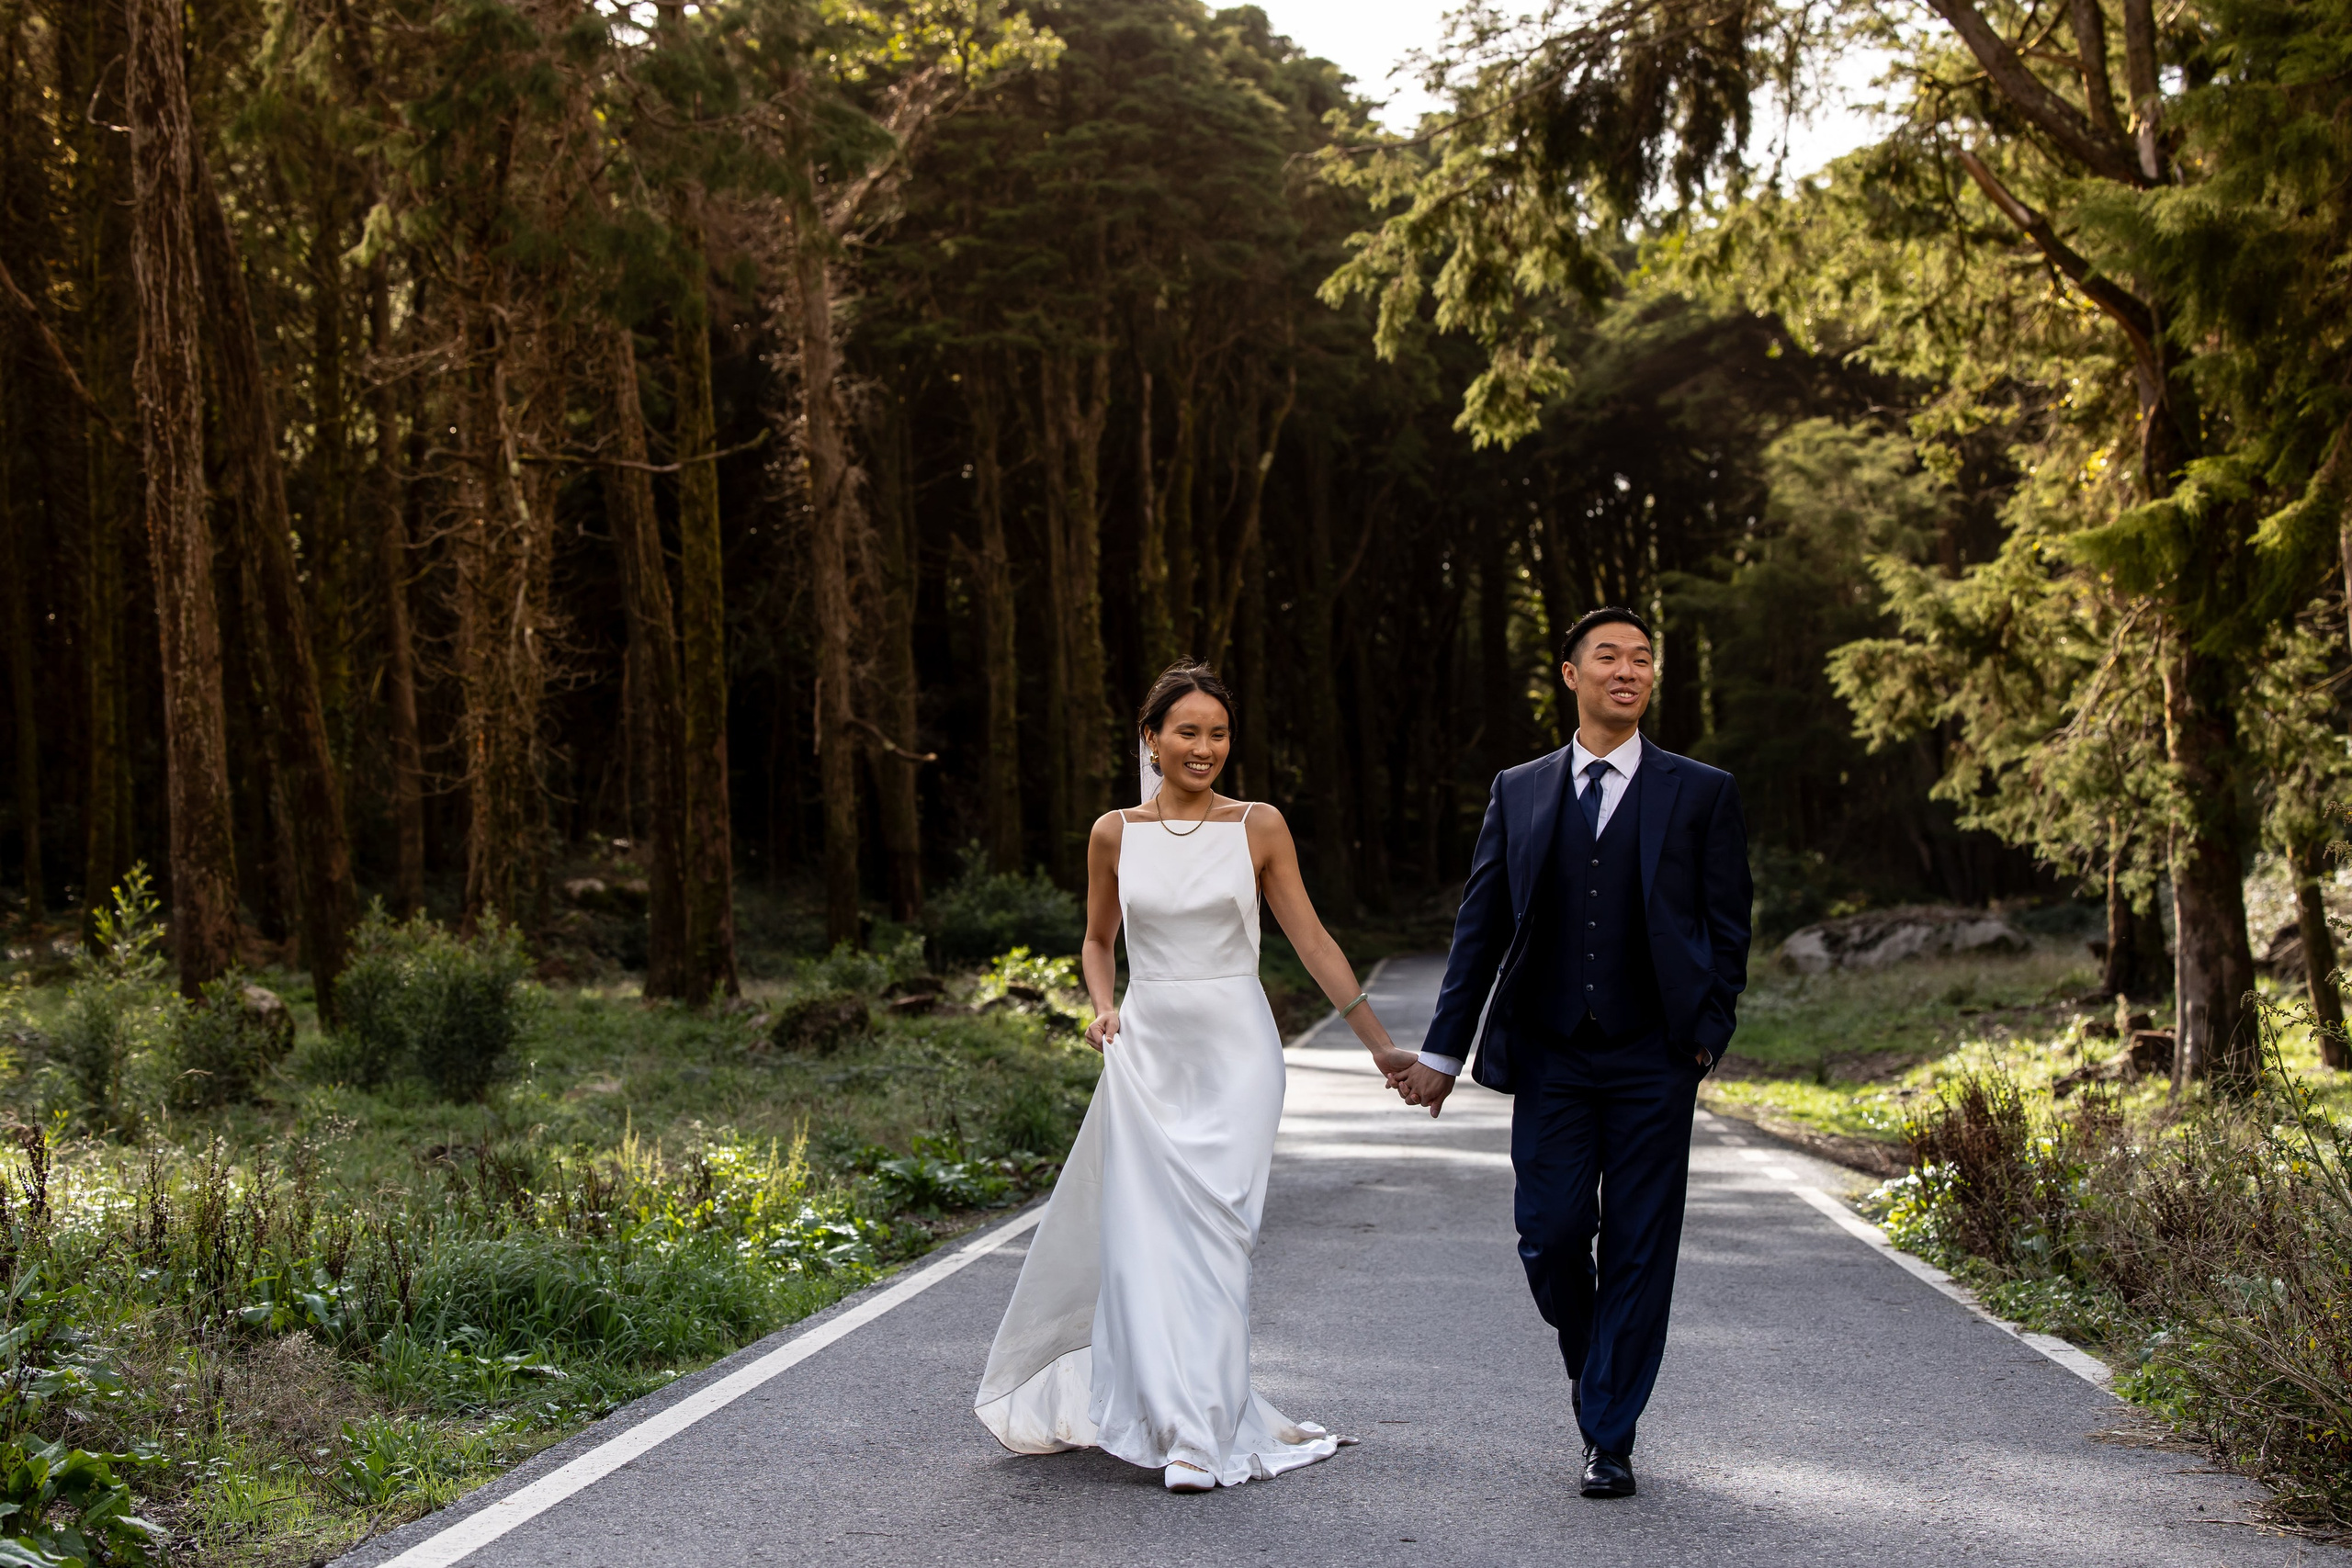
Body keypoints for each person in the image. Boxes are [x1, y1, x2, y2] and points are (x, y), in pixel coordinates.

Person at [976, 660, 1421, 1492]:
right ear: (1150, 738)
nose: (1204, 747)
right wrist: (1104, 1006)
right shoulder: (1113, 831)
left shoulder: (1259, 825)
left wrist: (1378, 1042)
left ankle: (1200, 1432)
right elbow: (1099, 940)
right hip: (1148, 1051)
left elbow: (1313, 939)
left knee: (1220, 1240)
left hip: (1238, 1052)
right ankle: (1179, 1424)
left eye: (1218, 733)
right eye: (1187, 731)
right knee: (1146, 1247)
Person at [1388, 606, 1753, 1500]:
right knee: (1550, 1236)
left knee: (1639, 1245)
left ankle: (1609, 1435)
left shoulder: (1701, 791)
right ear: (1569, 674)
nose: (1626, 671)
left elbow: (1728, 924)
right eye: (1608, 657)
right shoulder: (1518, 789)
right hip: (1549, 1054)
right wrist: (1442, 1049)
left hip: (1654, 1057)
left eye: (1641, 659)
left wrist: (1706, 1037)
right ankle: (1600, 1364)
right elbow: (1479, 929)